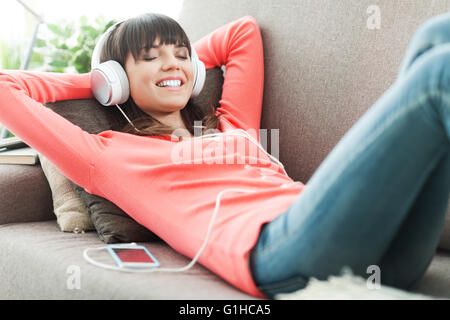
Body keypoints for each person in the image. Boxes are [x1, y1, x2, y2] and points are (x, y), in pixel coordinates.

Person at [0, 12, 449, 300]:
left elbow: (241, 33)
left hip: (392, 258)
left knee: (437, 33)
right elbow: (6, 88)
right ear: (116, 79)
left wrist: (185, 61)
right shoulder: (107, 155)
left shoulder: (231, 125)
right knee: (437, 74)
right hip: (281, 250)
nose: (173, 64)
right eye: (150, 58)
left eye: (181, 55)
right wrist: (98, 81)